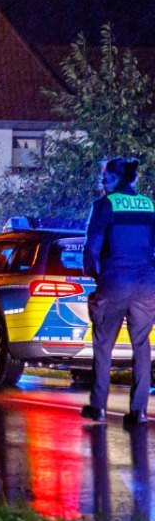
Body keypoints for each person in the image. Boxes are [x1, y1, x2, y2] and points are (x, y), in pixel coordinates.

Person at [81, 156, 155, 428]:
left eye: (106, 176)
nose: (103, 180)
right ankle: (139, 412)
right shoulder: (149, 204)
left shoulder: (104, 205)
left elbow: (92, 248)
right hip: (147, 283)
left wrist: (96, 273)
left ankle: (99, 408)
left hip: (114, 281)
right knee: (142, 345)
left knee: (103, 343)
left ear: (117, 178)